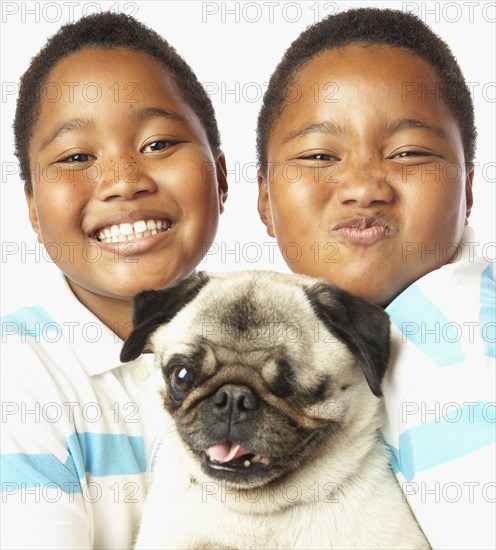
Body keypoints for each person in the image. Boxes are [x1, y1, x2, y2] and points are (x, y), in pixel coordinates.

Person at [256, 7, 495, 550]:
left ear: (470, 188)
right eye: (319, 155)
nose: (363, 187)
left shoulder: (454, 348)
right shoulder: (374, 335)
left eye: (409, 153)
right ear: (264, 198)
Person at [0, 12, 227, 549]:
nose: (124, 182)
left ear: (220, 177)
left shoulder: (275, 329)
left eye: (158, 145)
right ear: (32, 209)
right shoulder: (18, 376)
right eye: (77, 157)